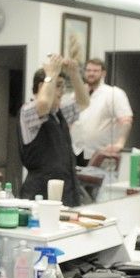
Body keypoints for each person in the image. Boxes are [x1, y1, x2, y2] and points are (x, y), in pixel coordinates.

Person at [18, 55, 90, 204]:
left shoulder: (59, 112)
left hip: (66, 189)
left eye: (63, 86)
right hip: (40, 192)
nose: (62, 91)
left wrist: (74, 74)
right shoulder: (28, 111)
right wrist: (51, 74)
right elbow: (43, 104)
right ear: (40, 87)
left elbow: (84, 102)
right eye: (58, 86)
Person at [70, 57, 133, 166]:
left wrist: (120, 143)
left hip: (102, 153)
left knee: (100, 182)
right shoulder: (75, 95)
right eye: (88, 70)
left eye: (95, 71)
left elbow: (126, 120)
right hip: (76, 151)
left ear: (103, 73)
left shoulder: (114, 93)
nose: (91, 74)